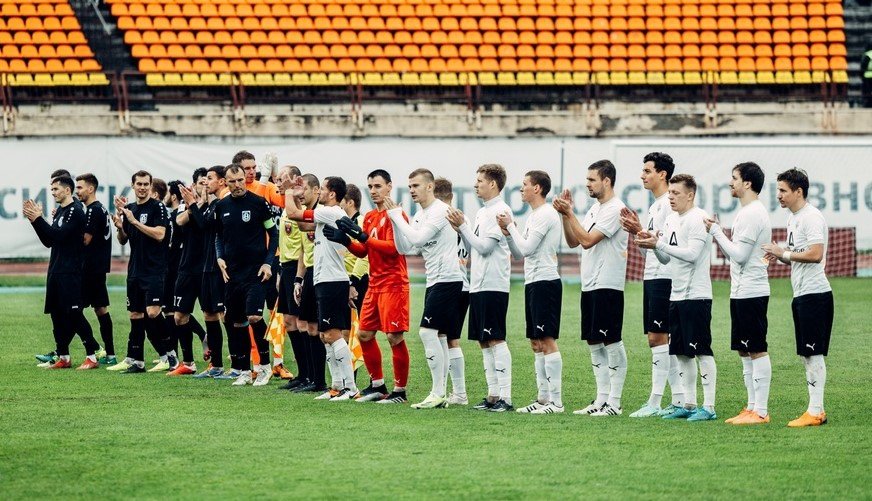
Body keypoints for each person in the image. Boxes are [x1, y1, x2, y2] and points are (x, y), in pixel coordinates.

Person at [636, 174, 718, 422]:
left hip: (697, 295)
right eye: (670, 192)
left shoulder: (698, 218)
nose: (670, 197)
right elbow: (665, 259)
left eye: (676, 193)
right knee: (681, 352)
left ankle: (709, 407)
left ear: (690, 195)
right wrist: (652, 245)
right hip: (677, 294)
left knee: (701, 351)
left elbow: (692, 255)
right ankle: (689, 404)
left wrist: (659, 245)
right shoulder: (671, 218)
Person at [328, 170, 412, 405]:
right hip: (375, 284)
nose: (373, 191)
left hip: (394, 283)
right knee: (364, 334)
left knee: (394, 337)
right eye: (370, 187)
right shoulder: (371, 217)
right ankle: (378, 385)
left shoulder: (397, 215)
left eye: (378, 186)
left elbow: (394, 248)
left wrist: (363, 237)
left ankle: (400, 391)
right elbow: (364, 251)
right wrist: (346, 240)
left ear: (389, 187)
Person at [553, 160, 629, 417]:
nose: (587, 184)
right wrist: (565, 215)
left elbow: (587, 241)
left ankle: (615, 403)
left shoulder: (616, 209)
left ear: (606, 181)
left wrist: (570, 213)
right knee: (594, 340)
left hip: (608, 283)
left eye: (592, 179)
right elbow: (573, 241)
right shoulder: (595, 209)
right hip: (590, 284)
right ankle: (601, 399)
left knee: (611, 340)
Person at [388, 169, 467, 408]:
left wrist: (397, 216)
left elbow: (418, 239)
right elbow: (404, 248)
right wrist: (395, 221)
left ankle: (437, 392)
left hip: (448, 278)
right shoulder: (420, 214)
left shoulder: (440, 210)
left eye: (416, 185)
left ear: (430, 186)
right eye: (410, 186)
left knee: (427, 332)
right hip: (434, 280)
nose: (411, 190)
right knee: (439, 336)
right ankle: (441, 394)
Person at [763, 168, 833, 428]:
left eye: (783, 190)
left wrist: (785, 253)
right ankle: (816, 409)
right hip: (802, 294)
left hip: (815, 294)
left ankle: (815, 411)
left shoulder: (811, 217)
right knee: (807, 354)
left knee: (813, 354)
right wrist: (780, 254)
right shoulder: (794, 218)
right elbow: (798, 255)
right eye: (778, 190)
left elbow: (815, 254)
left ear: (798, 191)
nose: (778, 195)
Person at [705, 162, 773, 425]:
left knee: (756, 349)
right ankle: (752, 406)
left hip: (752, 291)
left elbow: (741, 256)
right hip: (741, 291)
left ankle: (761, 411)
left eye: (734, 178)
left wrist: (715, 231)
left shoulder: (752, 213)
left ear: (747, 183)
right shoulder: (747, 212)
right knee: (744, 351)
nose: (730, 182)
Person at [619, 153, 684, 418]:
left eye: (647, 171)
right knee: (657, 339)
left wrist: (639, 231)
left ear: (662, 174)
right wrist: (637, 232)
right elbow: (649, 251)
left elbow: (667, 249)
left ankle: (656, 402)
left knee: (658, 338)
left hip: (665, 277)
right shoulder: (655, 206)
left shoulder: (669, 204)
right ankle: (678, 399)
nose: (642, 175)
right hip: (652, 275)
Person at [446, 164, 514, 412]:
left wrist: (463, 227)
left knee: (495, 338)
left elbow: (485, 248)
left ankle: (506, 396)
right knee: (483, 341)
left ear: (493, 184)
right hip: (478, 284)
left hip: (494, 283)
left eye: (480, 181)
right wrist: (460, 229)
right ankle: (493, 395)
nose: (476, 185)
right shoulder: (482, 212)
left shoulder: (501, 211)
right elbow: (473, 246)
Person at [496, 170, 565, 414]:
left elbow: (526, 248)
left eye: (525, 184)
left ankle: (556, 402)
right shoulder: (534, 215)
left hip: (546, 282)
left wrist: (510, 225)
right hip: (533, 282)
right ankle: (543, 398)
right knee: (536, 343)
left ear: (537, 188)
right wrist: (508, 234)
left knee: (547, 340)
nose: (521, 188)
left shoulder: (546, 214)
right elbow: (518, 253)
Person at [285, 175, 358, 401]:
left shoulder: (331, 211)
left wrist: (288, 192)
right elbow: (303, 225)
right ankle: (336, 386)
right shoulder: (326, 214)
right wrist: (297, 198)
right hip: (323, 280)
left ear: (332, 193)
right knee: (325, 336)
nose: (320, 193)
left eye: (323, 189)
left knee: (333, 334)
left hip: (333, 281)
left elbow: (293, 214)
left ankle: (350, 387)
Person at [24, 175, 101, 369]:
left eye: (56, 189)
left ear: (67, 190)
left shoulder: (76, 211)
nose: (53, 193)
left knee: (74, 314)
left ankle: (92, 356)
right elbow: (49, 241)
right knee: (56, 314)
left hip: (70, 272)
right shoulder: (60, 211)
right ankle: (64, 357)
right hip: (56, 270)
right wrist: (35, 221)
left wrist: (39, 219)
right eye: (51, 189)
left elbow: (59, 235)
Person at [214, 164, 278, 386]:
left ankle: (264, 367)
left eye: (240, 180)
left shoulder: (258, 203)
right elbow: (218, 236)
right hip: (232, 274)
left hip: (256, 272)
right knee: (236, 322)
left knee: (254, 317)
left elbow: (273, 234)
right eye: (232, 181)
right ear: (226, 182)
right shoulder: (221, 206)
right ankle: (243, 370)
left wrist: (268, 263)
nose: (238, 185)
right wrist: (219, 257)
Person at [107, 171, 174, 374]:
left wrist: (135, 221)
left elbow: (160, 234)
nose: (143, 187)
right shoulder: (130, 209)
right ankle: (137, 361)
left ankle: (170, 354)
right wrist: (120, 227)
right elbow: (123, 240)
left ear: (150, 186)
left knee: (153, 312)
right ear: (133, 186)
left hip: (154, 269)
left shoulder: (157, 207)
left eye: (146, 184)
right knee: (135, 314)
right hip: (135, 270)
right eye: (139, 184)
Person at [235, 150, 286, 376]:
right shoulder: (233, 192)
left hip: (272, 258)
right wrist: (264, 179)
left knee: (276, 310)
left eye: (254, 167)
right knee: (250, 314)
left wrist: (274, 176)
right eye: (247, 168)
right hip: (247, 262)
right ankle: (256, 362)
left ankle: (278, 361)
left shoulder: (265, 186)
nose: (252, 171)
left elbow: (283, 201)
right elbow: (251, 200)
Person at [285, 173, 329, 395]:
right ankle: (311, 377)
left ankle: (320, 380)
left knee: (324, 331)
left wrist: (288, 192)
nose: (300, 194)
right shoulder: (307, 214)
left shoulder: (322, 212)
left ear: (316, 190)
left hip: (324, 273)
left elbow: (300, 222)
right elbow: (303, 250)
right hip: (309, 273)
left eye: (303, 190)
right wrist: (298, 279)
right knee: (308, 326)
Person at [167, 170, 211, 376]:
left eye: (207, 182)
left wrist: (199, 205)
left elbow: (204, 225)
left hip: (207, 269)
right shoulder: (187, 206)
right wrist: (195, 204)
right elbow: (179, 221)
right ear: (193, 185)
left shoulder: (215, 206)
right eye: (201, 182)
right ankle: (188, 363)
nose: (205, 186)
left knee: (213, 315)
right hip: (186, 269)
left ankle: (218, 362)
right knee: (179, 316)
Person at [193, 165, 231, 379]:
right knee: (208, 313)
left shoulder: (222, 204)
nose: (206, 182)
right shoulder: (212, 203)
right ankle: (216, 365)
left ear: (222, 181)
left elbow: (204, 225)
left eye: (209, 178)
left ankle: (239, 364)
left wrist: (192, 204)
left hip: (219, 268)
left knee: (225, 315)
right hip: (206, 267)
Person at [75, 173, 116, 366]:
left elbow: (85, 240)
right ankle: (110, 354)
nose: (77, 191)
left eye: (80, 187)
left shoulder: (92, 210)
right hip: (98, 268)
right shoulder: (101, 208)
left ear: (91, 189)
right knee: (100, 309)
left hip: (90, 268)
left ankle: (94, 349)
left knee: (73, 309)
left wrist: (64, 234)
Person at [274, 165, 307, 389]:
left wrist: (297, 276)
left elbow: (303, 240)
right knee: (288, 321)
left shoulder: (299, 204)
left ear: (296, 179)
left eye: (282, 178)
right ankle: (302, 374)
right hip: (285, 267)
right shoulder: (286, 205)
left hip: (297, 267)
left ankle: (309, 374)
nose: (278, 182)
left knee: (301, 322)